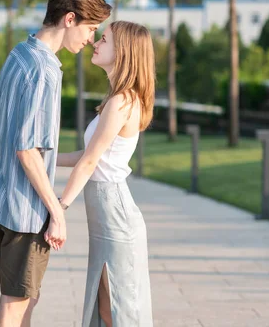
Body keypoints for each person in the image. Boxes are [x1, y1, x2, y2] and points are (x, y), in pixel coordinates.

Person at [0, 0, 111, 327]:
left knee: (25, 299)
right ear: (70, 19)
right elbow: (27, 151)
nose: (90, 39)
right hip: (25, 209)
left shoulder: (18, 54)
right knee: (16, 304)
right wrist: (56, 211)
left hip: (2, 198)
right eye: (89, 29)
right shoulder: (45, 71)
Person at [57, 21, 155, 327]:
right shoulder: (119, 99)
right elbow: (86, 158)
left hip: (116, 217)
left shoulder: (122, 101)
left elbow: (89, 164)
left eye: (104, 39)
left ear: (123, 52)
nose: (95, 43)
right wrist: (38, 158)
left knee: (116, 309)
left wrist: (59, 208)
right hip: (107, 217)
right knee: (106, 308)